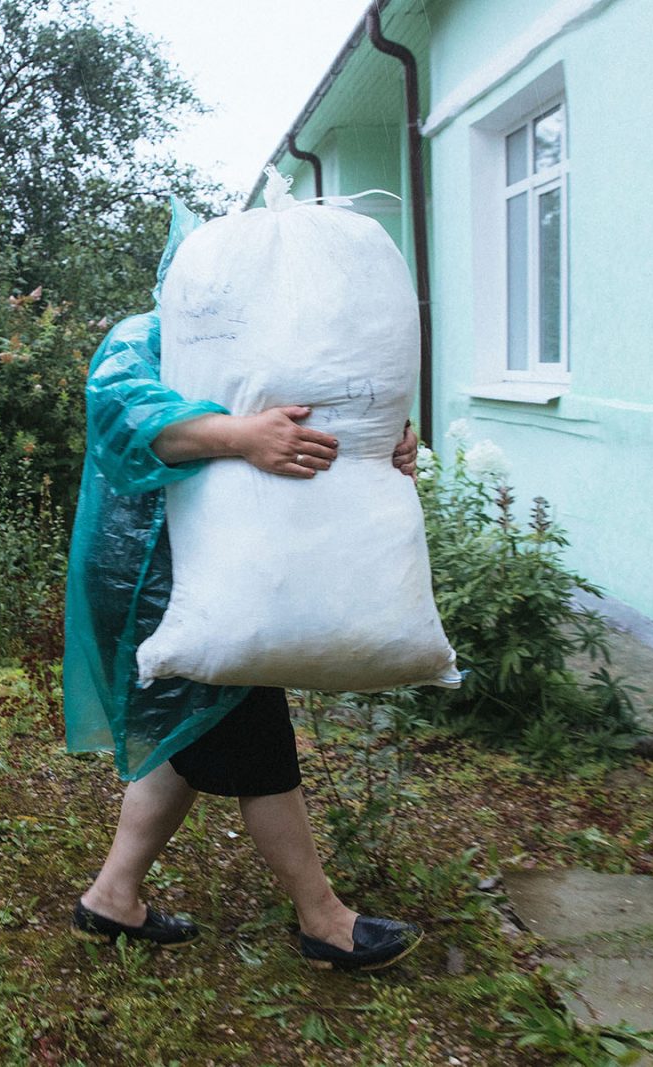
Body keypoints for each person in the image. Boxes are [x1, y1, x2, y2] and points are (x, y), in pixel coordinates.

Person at [63, 208, 424, 970]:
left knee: (191, 727)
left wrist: (377, 440)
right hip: (149, 584)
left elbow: (308, 415)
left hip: (208, 578)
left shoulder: (256, 350)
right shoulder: (143, 336)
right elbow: (125, 420)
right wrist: (244, 435)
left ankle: (111, 896)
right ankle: (323, 919)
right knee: (252, 731)